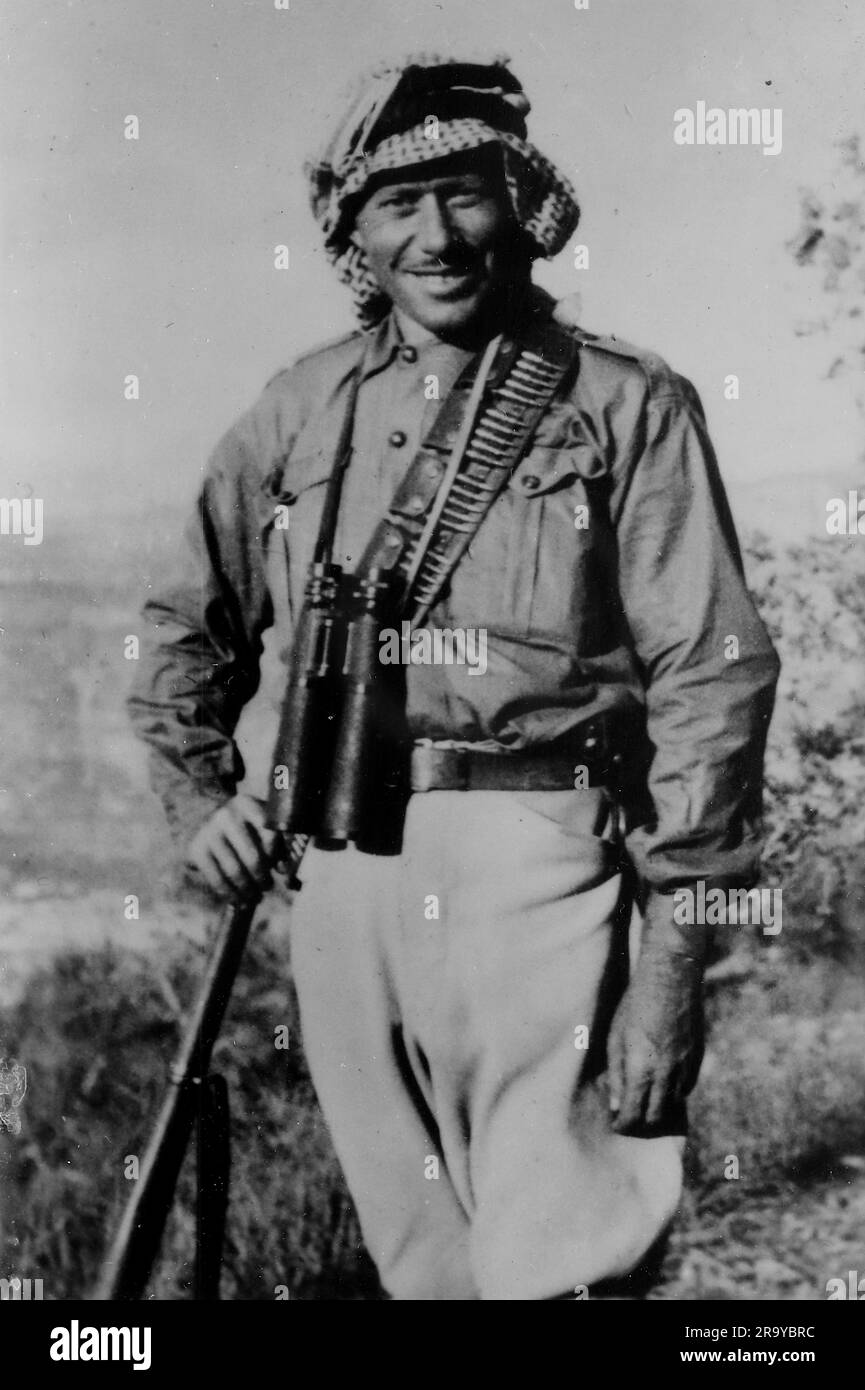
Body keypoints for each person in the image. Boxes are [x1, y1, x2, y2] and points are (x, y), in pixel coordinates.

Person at [129, 53, 780, 1300]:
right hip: (344, 869)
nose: (435, 234)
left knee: (569, 1263)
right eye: (396, 204)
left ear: (516, 207)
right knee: (426, 1271)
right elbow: (183, 625)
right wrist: (195, 800)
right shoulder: (299, 407)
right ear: (352, 235)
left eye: (464, 194)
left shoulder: (621, 402)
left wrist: (673, 962)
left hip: (546, 860)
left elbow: (715, 674)